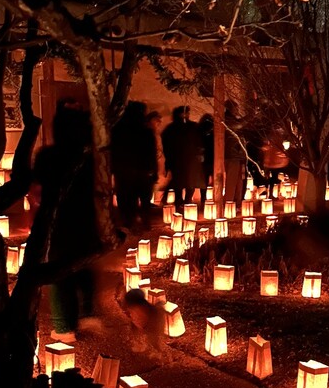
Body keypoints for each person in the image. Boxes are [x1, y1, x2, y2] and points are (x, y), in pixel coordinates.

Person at [33, 98, 100, 343]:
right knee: (83, 262)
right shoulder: (88, 158)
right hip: (84, 218)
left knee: (59, 272)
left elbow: (37, 190)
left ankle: (64, 327)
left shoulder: (48, 156)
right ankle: (87, 311)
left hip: (57, 221)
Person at [111, 101, 158, 230]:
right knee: (143, 198)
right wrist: (153, 171)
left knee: (127, 198)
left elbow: (114, 151)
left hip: (125, 171)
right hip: (142, 171)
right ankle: (144, 222)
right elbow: (151, 152)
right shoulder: (145, 131)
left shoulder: (118, 130)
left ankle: (129, 222)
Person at [161, 105, 206, 209]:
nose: (186, 115)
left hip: (191, 161)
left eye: (187, 113)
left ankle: (187, 202)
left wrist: (200, 153)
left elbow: (199, 141)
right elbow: (167, 145)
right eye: (184, 113)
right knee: (178, 184)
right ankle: (179, 203)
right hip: (177, 160)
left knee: (190, 183)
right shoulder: (171, 129)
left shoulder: (193, 127)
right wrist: (169, 159)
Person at [223, 100, 248, 204]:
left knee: (239, 181)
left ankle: (237, 202)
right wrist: (250, 116)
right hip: (232, 155)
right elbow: (239, 125)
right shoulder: (227, 120)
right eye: (236, 108)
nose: (237, 110)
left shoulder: (232, 120)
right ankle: (228, 203)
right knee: (232, 182)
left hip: (237, 155)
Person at [198, 113, 215, 203]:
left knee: (204, 181)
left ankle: (203, 199)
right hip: (212, 158)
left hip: (205, 159)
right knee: (214, 180)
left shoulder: (200, 129)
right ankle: (215, 197)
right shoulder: (213, 129)